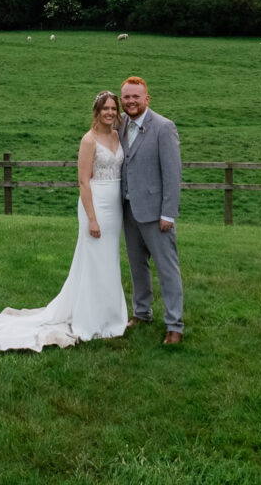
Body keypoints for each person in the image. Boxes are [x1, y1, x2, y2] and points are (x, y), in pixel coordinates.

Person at [0, 91, 128, 351]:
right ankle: (90, 319)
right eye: (105, 108)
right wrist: (92, 218)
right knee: (92, 260)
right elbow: (82, 181)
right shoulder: (89, 140)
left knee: (109, 259)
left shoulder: (116, 136)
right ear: (96, 111)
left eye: (114, 108)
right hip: (96, 204)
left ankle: (111, 316)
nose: (110, 113)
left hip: (115, 207)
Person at [118, 75, 184, 345]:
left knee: (167, 269)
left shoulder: (164, 127)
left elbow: (172, 173)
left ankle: (174, 325)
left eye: (136, 96)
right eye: (126, 97)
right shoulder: (121, 125)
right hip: (128, 209)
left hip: (156, 214)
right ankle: (141, 313)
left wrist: (168, 213)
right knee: (137, 266)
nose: (131, 101)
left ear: (147, 99)